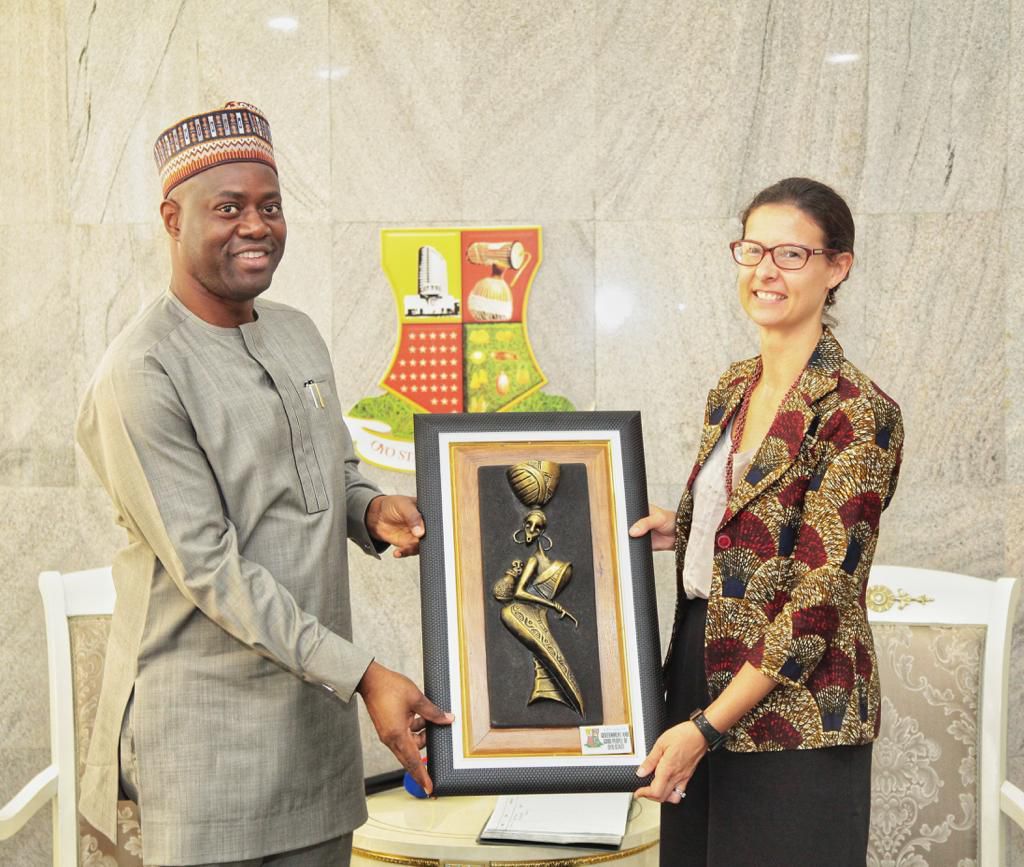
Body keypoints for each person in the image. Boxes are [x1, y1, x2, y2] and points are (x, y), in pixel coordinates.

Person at [75, 101, 452, 867]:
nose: (257, 225)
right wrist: (367, 675)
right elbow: (210, 568)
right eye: (229, 208)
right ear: (172, 219)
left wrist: (371, 509)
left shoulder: (297, 331)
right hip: (207, 754)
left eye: (270, 206)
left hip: (311, 731)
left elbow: (328, 472)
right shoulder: (142, 371)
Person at [629, 177, 904, 866]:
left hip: (797, 709)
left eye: (790, 254)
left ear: (837, 266)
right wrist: (686, 526)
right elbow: (748, 515)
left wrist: (705, 728)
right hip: (699, 663)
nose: (764, 272)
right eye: (752, 249)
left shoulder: (858, 412)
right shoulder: (732, 385)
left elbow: (819, 602)